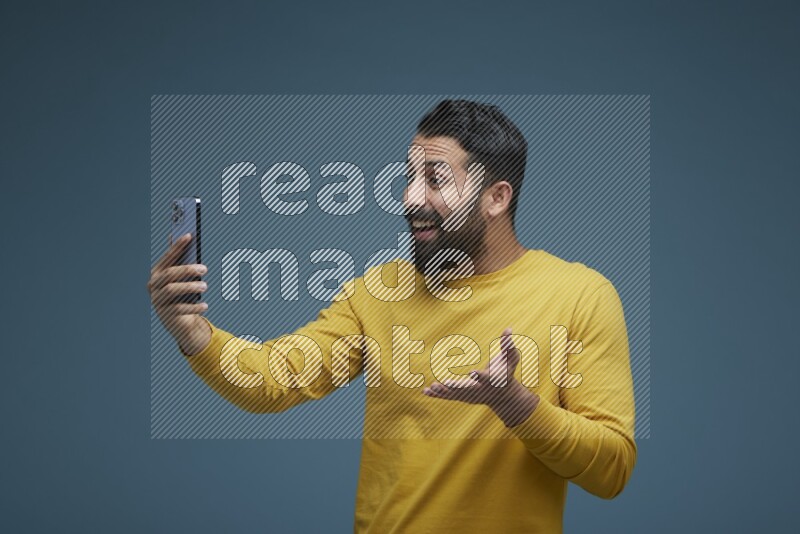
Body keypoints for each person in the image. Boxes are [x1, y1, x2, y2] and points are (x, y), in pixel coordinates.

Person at [147, 99, 637, 532]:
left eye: (435, 179)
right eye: (409, 176)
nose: (410, 198)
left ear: (496, 197)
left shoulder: (581, 296)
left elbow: (611, 469)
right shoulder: (380, 292)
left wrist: (516, 405)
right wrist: (194, 333)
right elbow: (274, 380)